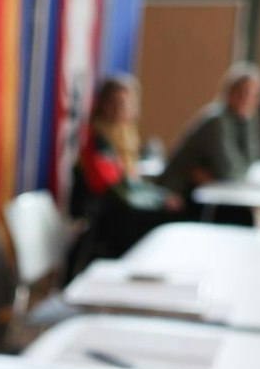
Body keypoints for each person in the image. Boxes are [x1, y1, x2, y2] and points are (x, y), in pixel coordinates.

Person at [68, 74, 179, 274]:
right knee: (165, 219)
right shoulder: (98, 140)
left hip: (121, 205)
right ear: (103, 105)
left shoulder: (126, 136)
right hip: (106, 213)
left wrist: (160, 197)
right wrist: (160, 201)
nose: (120, 110)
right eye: (114, 103)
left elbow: (132, 181)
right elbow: (116, 187)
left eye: (124, 104)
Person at [159, 63, 260, 202]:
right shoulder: (216, 121)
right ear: (230, 92)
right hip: (177, 194)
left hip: (207, 192)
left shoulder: (247, 118)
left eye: (254, 95)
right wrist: (219, 176)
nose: (247, 99)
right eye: (242, 92)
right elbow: (229, 172)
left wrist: (246, 122)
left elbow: (253, 161)